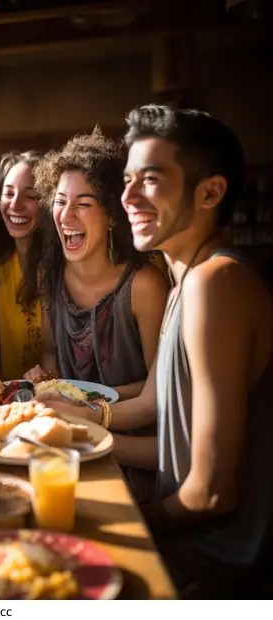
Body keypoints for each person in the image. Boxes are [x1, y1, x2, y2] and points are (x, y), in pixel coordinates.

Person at [119, 104, 273, 598]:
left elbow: (211, 493)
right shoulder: (185, 277)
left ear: (210, 192)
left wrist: (127, 523)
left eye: (149, 179)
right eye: (126, 180)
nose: (127, 197)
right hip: (191, 548)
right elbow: (169, 434)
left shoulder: (217, 282)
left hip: (213, 569)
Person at [28, 129, 169, 401]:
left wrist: (85, 402)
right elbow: (49, 356)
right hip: (67, 428)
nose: (66, 214)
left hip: (130, 433)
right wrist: (42, 380)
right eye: (59, 201)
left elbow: (159, 386)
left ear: (112, 215)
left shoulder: (144, 286)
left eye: (83, 203)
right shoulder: (48, 275)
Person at [0, 151, 43, 379]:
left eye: (31, 196)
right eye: (8, 194)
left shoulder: (63, 268)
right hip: (6, 400)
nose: (15, 205)